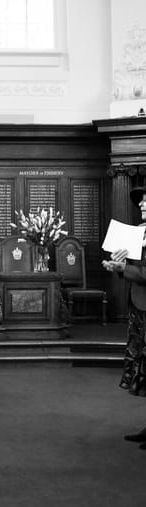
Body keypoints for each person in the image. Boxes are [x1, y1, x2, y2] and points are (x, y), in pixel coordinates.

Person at [102, 183, 146, 449]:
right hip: (139, 308)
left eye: (145, 200)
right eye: (140, 201)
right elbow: (134, 266)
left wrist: (124, 269)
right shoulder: (140, 232)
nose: (140, 204)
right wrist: (118, 266)